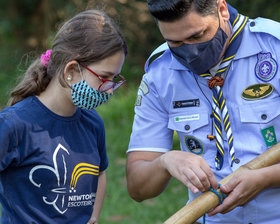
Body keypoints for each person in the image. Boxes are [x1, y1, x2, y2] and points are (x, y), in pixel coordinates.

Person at [126, 0, 280, 223]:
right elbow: (138, 187)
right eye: (175, 42)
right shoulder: (160, 74)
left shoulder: (275, 48)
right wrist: (166, 162)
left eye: (197, 36)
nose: (191, 52)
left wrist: (265, 178)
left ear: (222, 9)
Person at [0, 9, 127, 224]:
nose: (109, 90)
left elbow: (100, 173)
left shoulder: (92, 122)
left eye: (114, 79)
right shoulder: (14, 124)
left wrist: (94, 216)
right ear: (71, 70)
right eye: (104, 78)